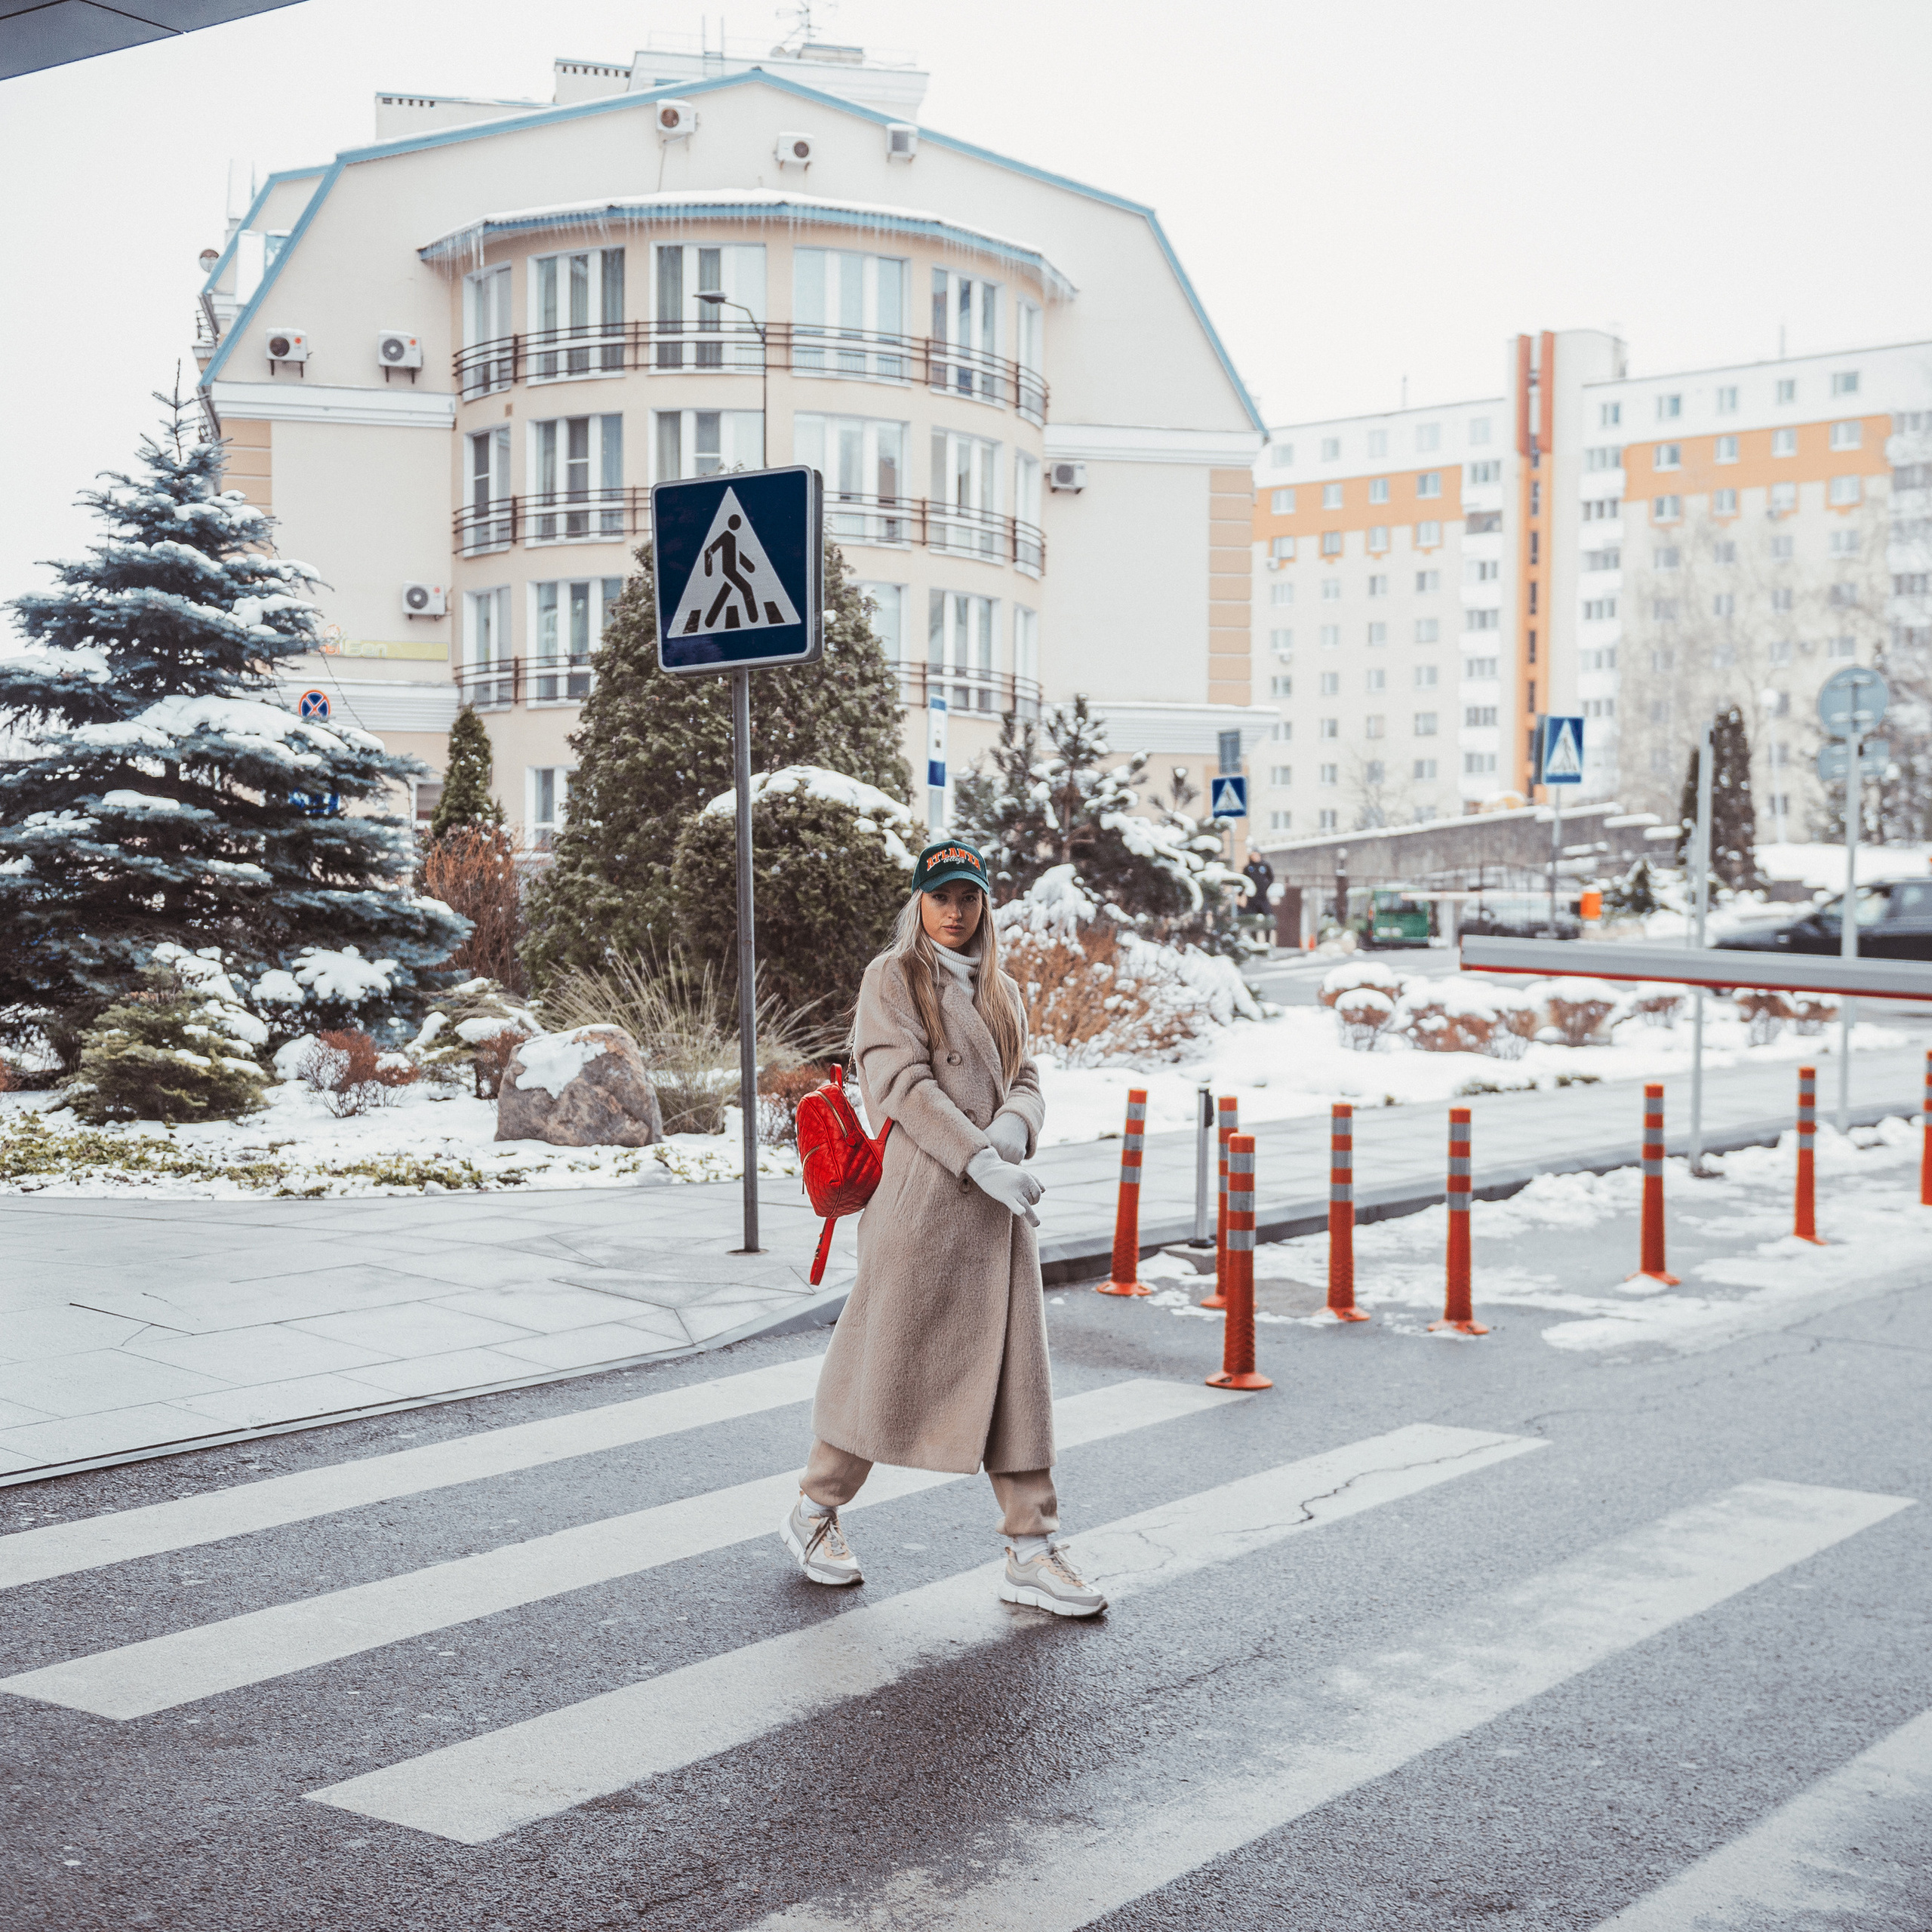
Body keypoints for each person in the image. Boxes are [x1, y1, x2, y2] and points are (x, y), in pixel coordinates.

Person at [780, 836, 1106, 1617]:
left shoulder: (1001, 986)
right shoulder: (893, 977)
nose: (954, 911)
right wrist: (981, 1159)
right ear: (918, 903)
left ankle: (1031, 1546)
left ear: (984, 903)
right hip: (923, 1206)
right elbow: (900, 1083)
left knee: (1016, 1384)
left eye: (967, 897)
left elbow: (1026, 1074)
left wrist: (1017, 1126)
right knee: (883, 1368)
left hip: (996, 1218)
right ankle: (814, 1510)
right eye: (940, 897)